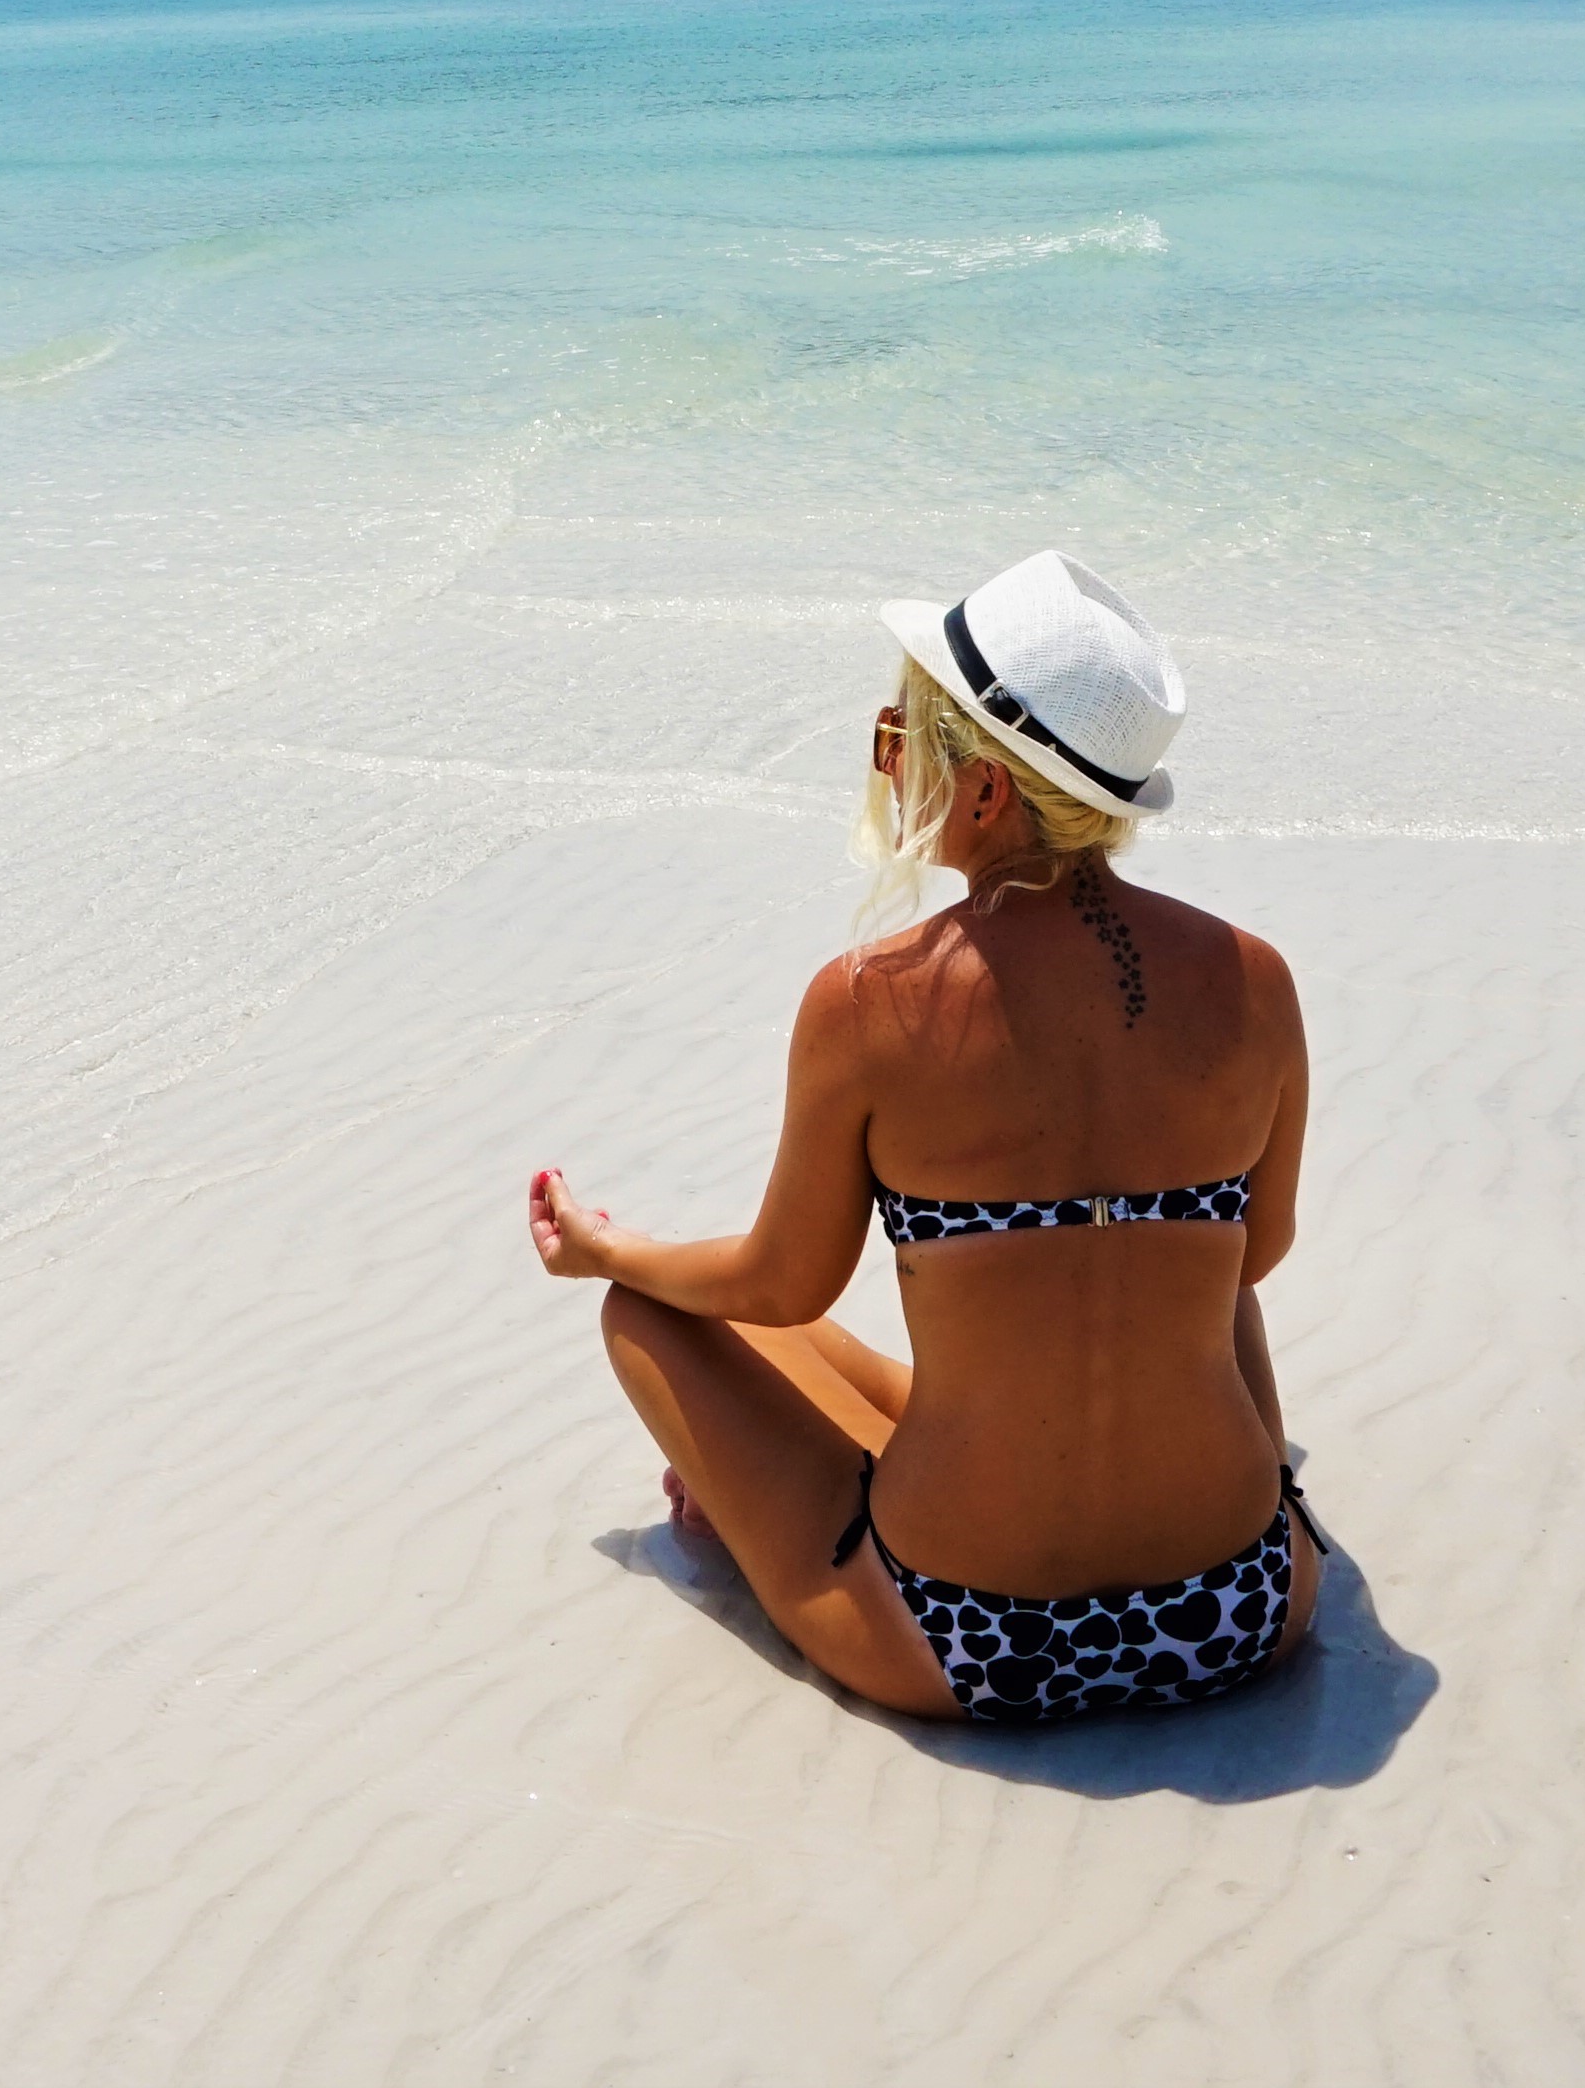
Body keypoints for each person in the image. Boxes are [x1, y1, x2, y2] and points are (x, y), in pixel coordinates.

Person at [526, 550, 1326, 1723]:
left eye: (905, 732)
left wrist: (608, 1250)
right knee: (1192, 1249)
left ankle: (781, 1490)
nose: (886, 754)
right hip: (1244, 1606)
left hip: (967, 1635)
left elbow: (784, 1281)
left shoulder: (869, 1000)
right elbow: (1254, 1256)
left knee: (655, 1312)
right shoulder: (1255, 979)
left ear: (989, 790)